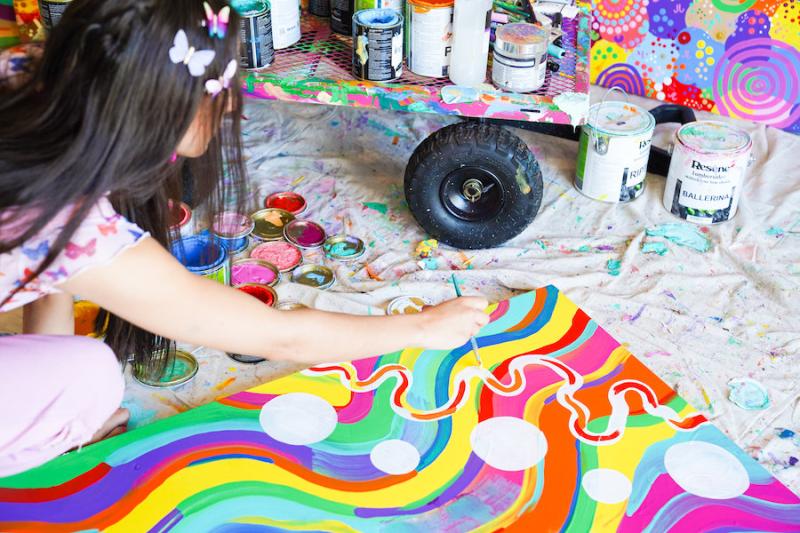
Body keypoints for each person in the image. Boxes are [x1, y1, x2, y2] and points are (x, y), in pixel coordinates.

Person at [0, 0, 488, 477]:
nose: (233, 102)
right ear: (170, 113)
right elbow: (279, 334)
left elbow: (51, 276)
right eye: (222, 87)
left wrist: (59, 417)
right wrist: (423, 329)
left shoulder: (26, 75)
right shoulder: (69, 224)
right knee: (91, 377)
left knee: (72, 382)